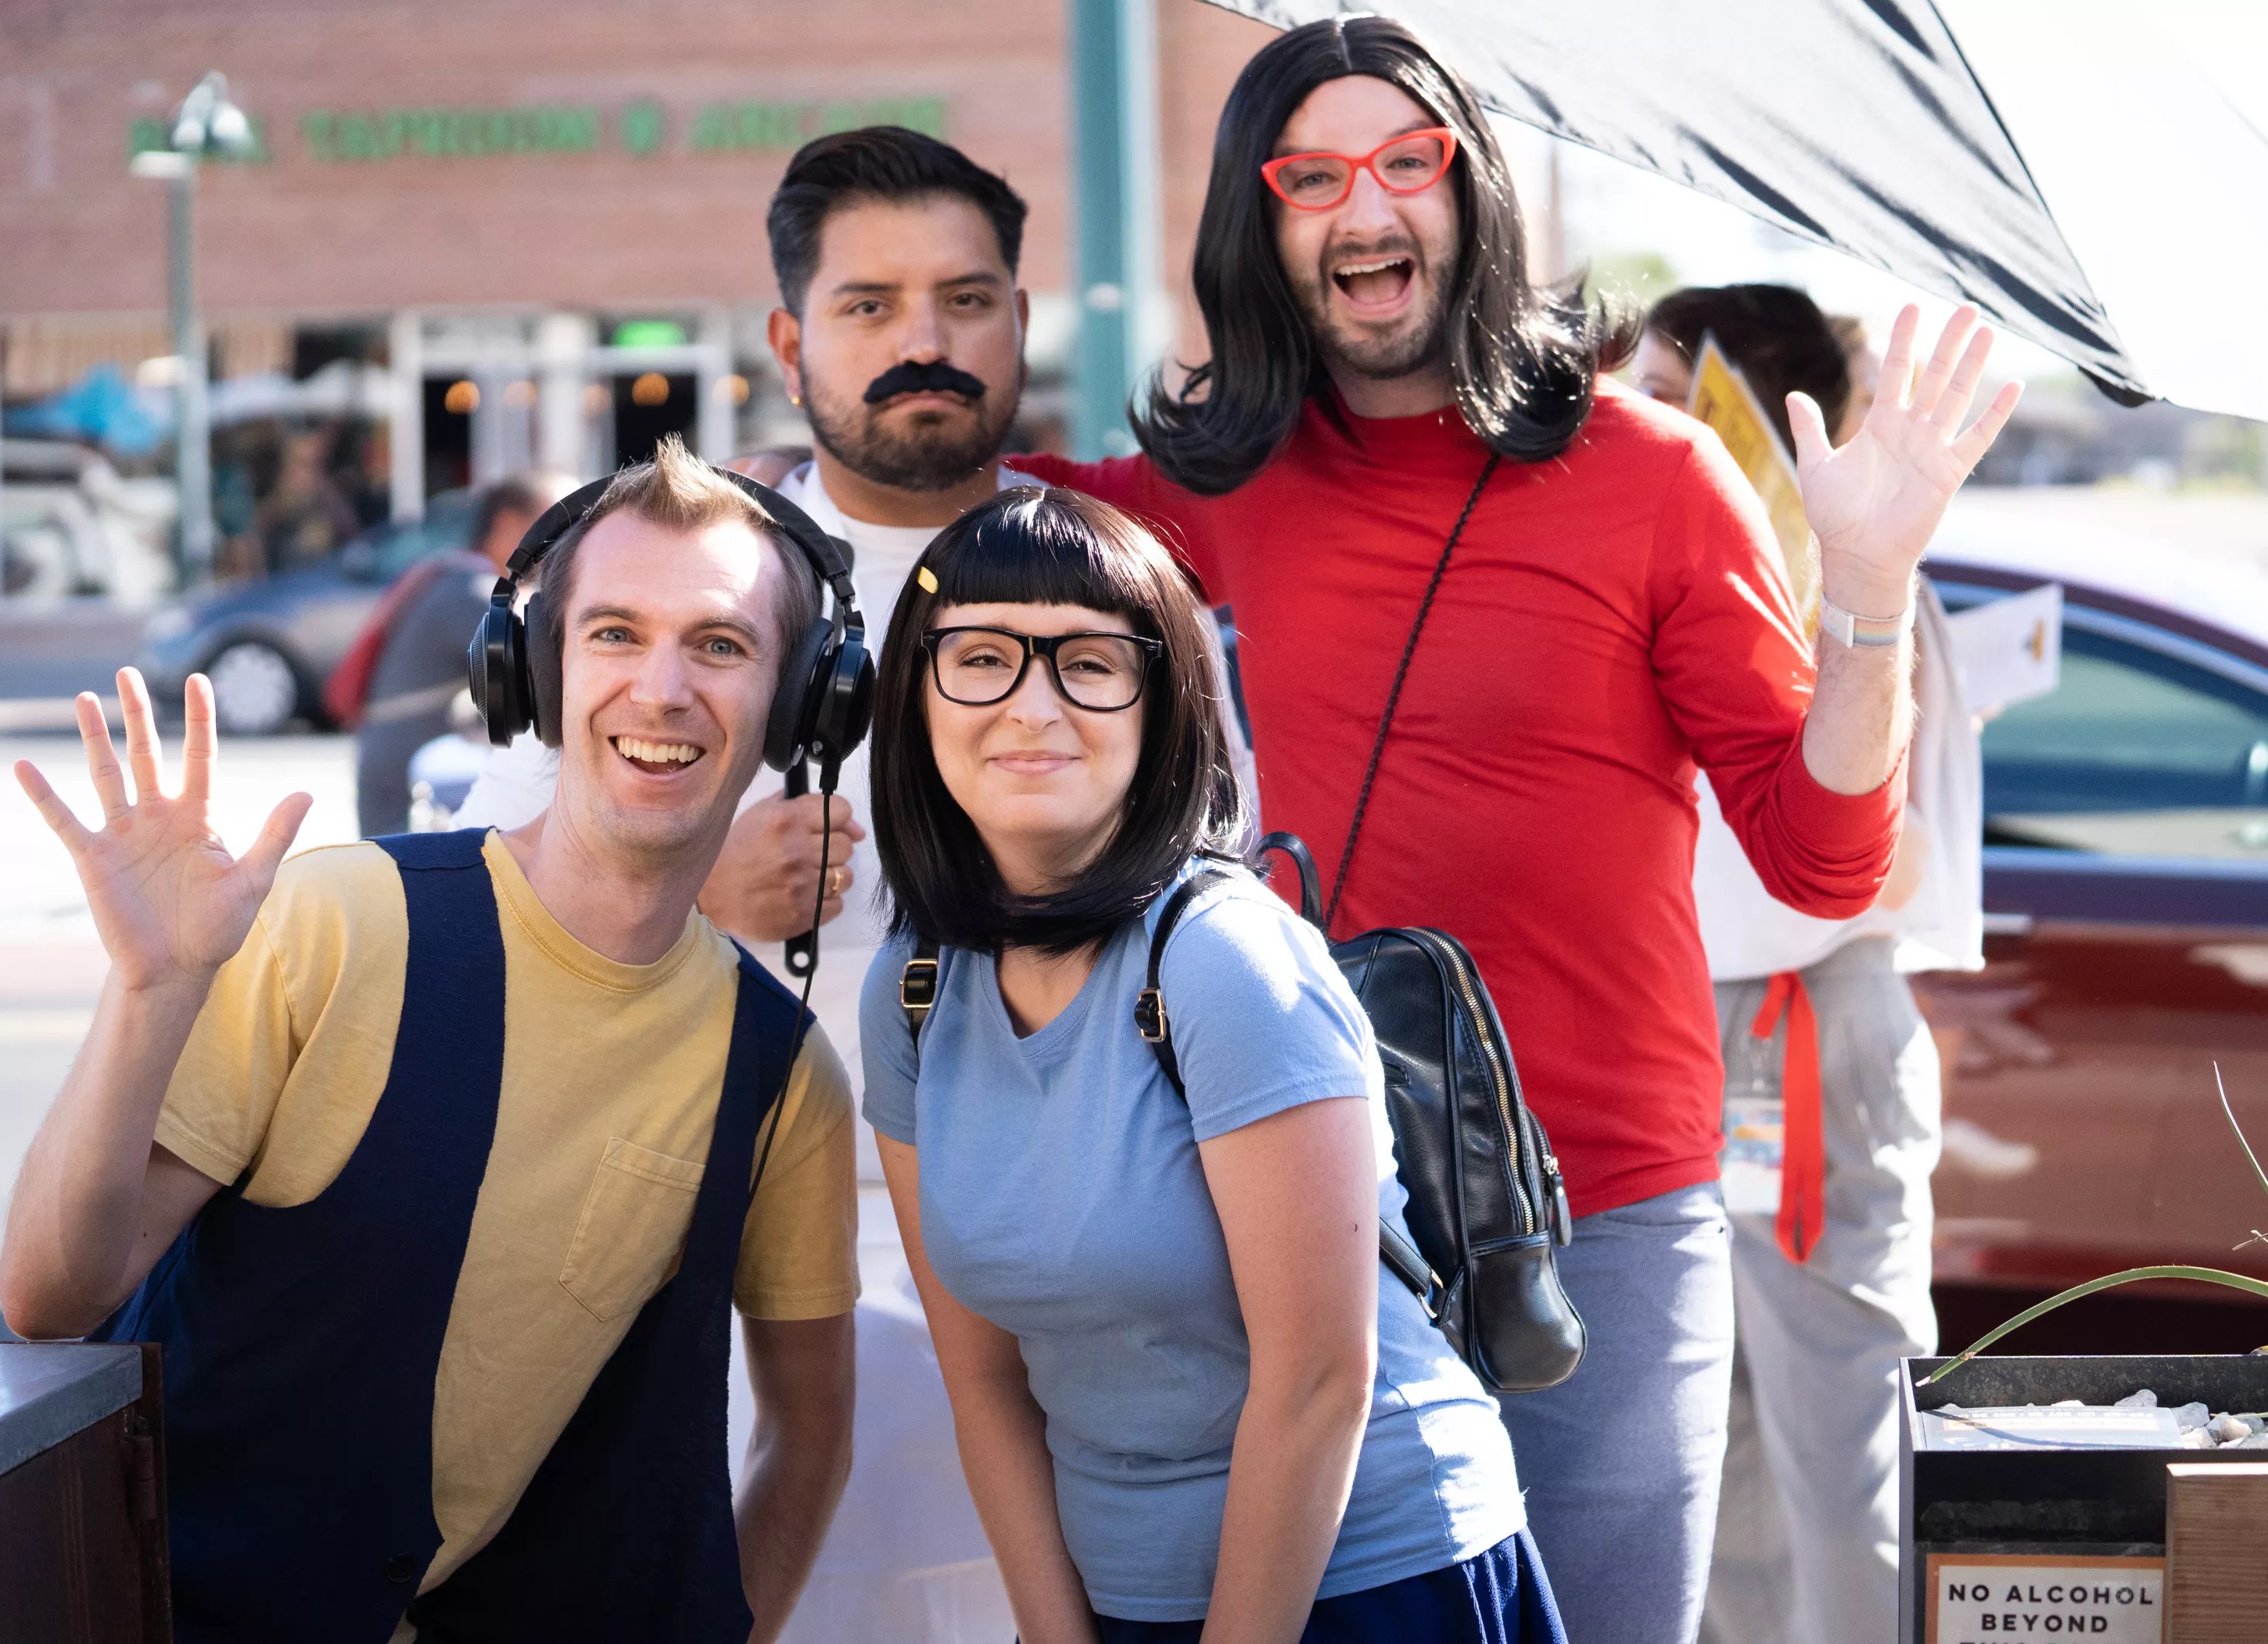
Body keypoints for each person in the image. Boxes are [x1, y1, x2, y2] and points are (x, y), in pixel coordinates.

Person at [1001, 18, 2020, 1643]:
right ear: (1261, 224)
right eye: (1312, 177)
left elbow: (1822, 858)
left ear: (1473, 193)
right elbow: (973, 513)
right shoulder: (1236, 478)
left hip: (1603, 1217)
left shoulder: (1658, 477)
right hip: (1331, 1221)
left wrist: (1873, 592)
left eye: (1409, 162)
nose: (1367, 208)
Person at [0, 442, 859, 1642]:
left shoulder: (782, 1080)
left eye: (720, 644)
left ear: (805, 701)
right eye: (614, 633)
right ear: (535, 672)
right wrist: (151, 992)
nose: (662, 688)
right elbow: (49, 1295)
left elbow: (807, 1434)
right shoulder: (337, 922)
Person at [452, 125, 1061, 1641]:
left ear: (1020, 318)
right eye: (869, 305)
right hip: (726, 1351)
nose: (924, 341)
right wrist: (680, 885)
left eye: (965, 299)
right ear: (791, 344)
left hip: (1062, 1346)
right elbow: (471, 948)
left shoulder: (1117, 589)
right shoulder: (672, 579)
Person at [863, 486, 1563, 1643]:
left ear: (1162, 705)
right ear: (912, 696)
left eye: (1089, 663)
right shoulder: (914, 986)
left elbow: (1319, 1381)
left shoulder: (1223, 958)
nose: (1032, 704)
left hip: (1370, 1578)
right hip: (1122, 1591)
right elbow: (983, 1379)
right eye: (981, 657)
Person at [1634, 285, 1982, 1644]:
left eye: (1670, 397)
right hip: (1683, 1025)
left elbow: (1889, 864)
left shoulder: (1862, 586)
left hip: (1805, 1024)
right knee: (1708, 1440)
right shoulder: (1686, 574)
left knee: (1844, 1431)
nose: (1639, 426)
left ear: (1761, 411)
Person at [340, 472, 566, 835]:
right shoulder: (468, 591)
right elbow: (545, 659)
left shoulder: (453, 576)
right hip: (406, 783)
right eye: (558, 530)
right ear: (509, 525)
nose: (566, 546)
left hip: (405, 769)